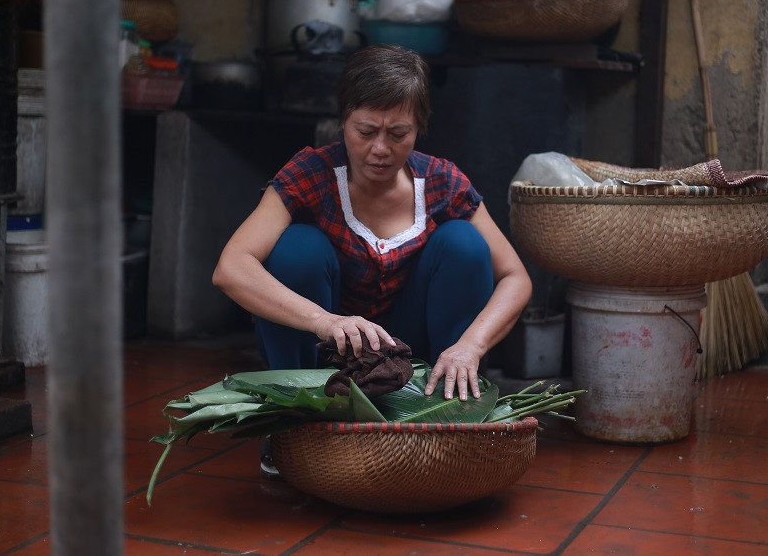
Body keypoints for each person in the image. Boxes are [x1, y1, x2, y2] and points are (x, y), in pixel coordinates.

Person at [212, 44, 532, 405]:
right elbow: (231, 268)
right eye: (366, 131)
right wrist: (324, 321)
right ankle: (294, 411)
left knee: (464, 242)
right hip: (322, 350)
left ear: (419, 128)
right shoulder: (311, 175)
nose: (380, 149)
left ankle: (446, 404)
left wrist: (472, 345)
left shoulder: (443, 183)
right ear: (344, 120)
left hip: (414, 356)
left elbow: (515, 278)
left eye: (398, 134)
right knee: (297, 247)